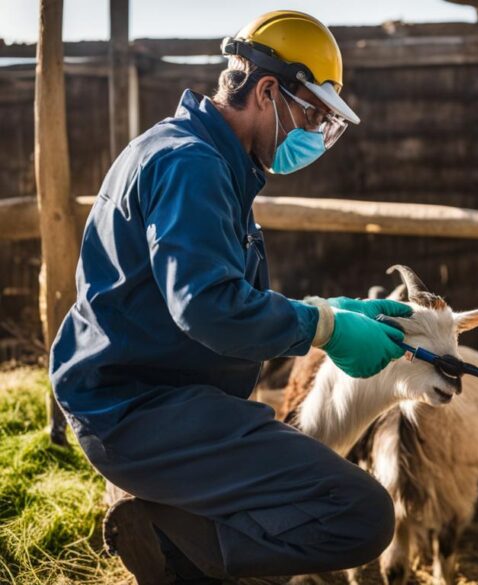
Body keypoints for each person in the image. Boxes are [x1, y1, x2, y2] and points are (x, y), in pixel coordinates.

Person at [49, 11, 410, 583]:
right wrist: (326, 330)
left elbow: (218, 294)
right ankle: (170, 536)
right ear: (268, 91)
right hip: (138, 410)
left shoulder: (207, 158)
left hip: (160, 397)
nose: (316, 134)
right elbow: (207, 307)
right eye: (313, 114)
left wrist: (337, 311)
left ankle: (180, 542)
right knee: (360, 515)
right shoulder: (191, 164)